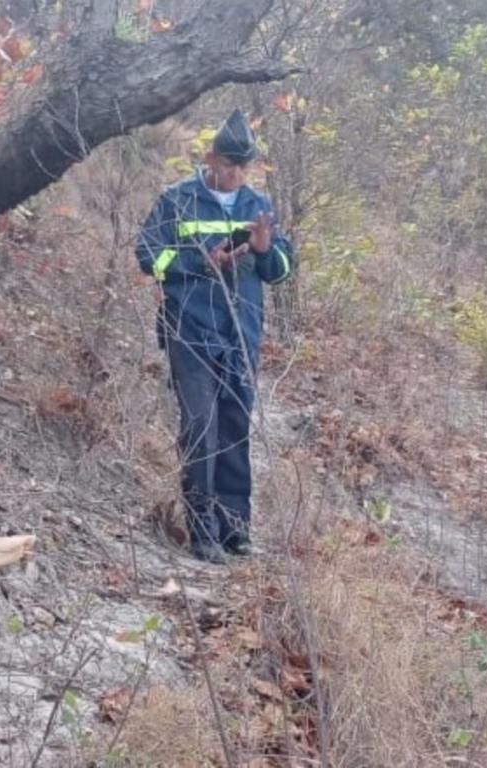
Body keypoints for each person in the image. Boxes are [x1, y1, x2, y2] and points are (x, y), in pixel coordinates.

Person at [134, 109, 295, 563]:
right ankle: (202, 530)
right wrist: (200, 262)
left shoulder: (257, 207)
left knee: (234, 428)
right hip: (189, 330)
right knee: (199, 427)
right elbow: (148, 257)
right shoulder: (177, 200)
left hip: (241, 335)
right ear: (210, 158)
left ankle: (235, 530)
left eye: (242, 168)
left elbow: (280, 271)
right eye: (227, 165)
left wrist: (265, 252)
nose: (233, 175)